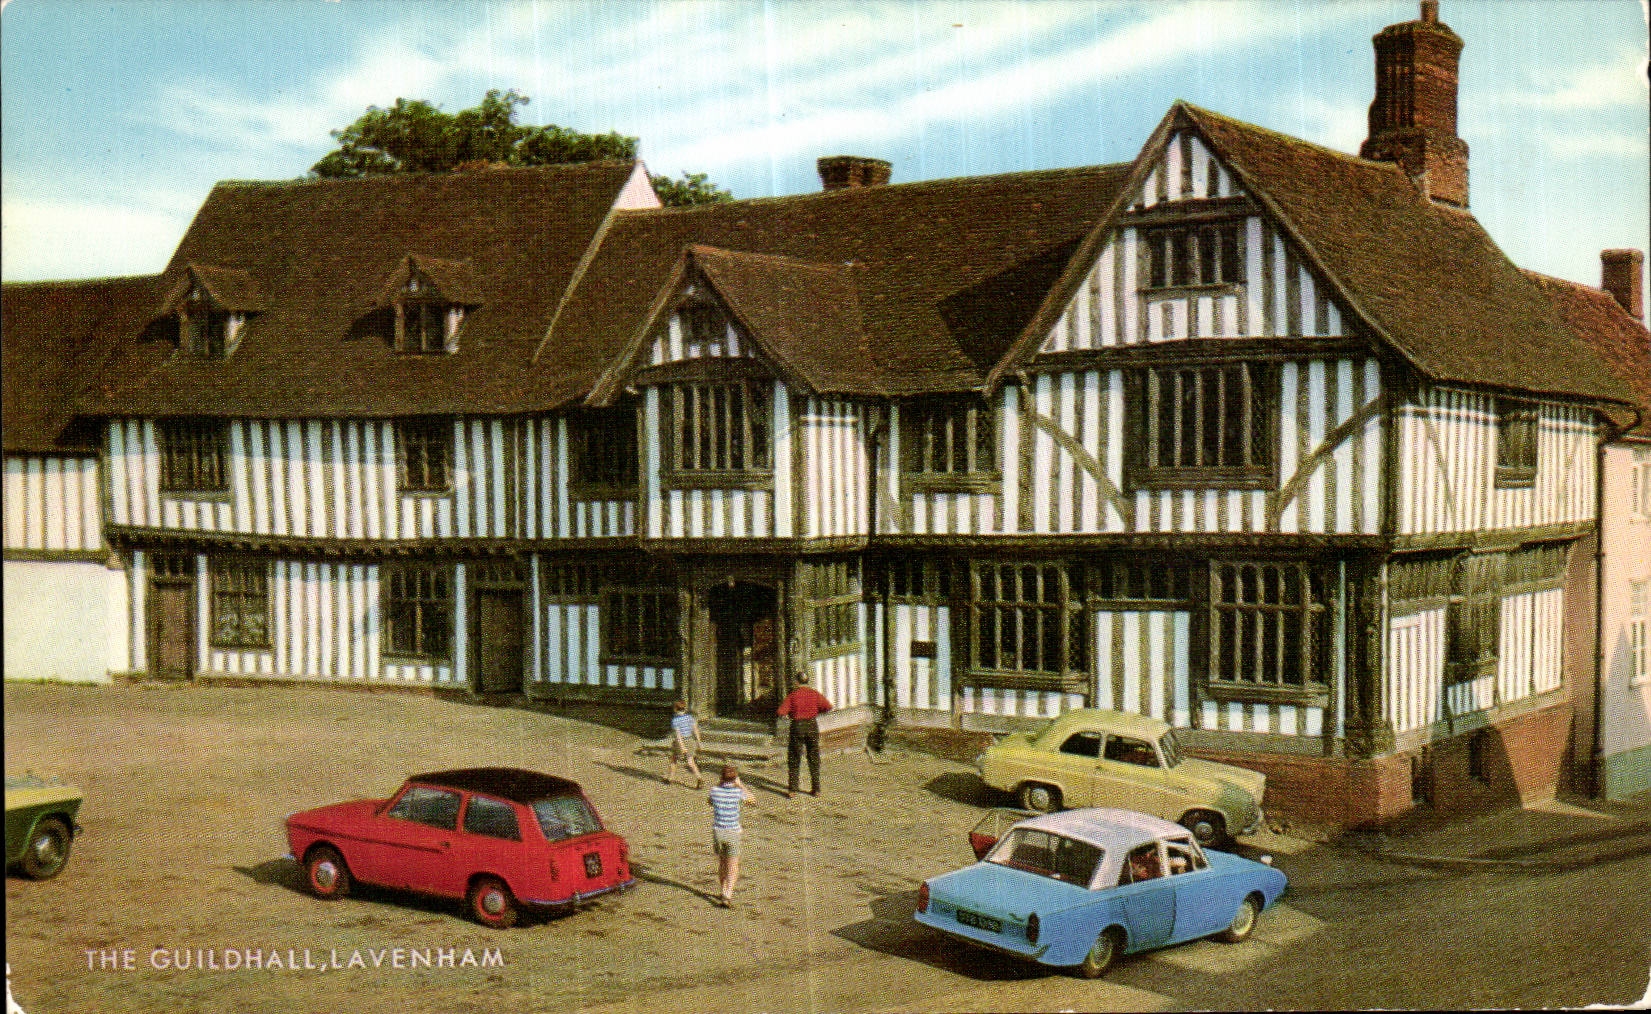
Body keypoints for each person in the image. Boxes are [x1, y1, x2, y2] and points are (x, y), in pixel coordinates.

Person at [777, 671, 832, 799]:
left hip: (797, 726)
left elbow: (781, 712)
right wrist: (816, 711)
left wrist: (789, 715)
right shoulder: (814, 694)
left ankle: (793, 789)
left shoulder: (793, 695)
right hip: (812, 725)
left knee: (794, 757)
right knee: (813, 756)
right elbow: (827, 706)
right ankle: (816, 789)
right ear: (808, 681)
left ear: (797, 682)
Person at [707, 763, 754, 908]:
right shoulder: (738, 793)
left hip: (718, 832)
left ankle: (722, 890)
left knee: (722, 863)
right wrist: (741, 785)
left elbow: (710, 801)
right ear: (735, 779)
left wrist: (720, 784)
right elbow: (752, 799)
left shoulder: (714, 791)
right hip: (733, 832)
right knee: (733, 865)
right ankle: (727, 894)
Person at [665, 700, 702, 789]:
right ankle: (699, 778)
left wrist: (682, 747)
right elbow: (695, 730)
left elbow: (678, 735)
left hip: (680, 742)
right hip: (690, 740)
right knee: (690, 761)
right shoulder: (690, 717)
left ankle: (670, 778)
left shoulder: (675, 720)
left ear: (675, 709)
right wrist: (699, 742)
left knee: (674, 759)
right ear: (685, 708)